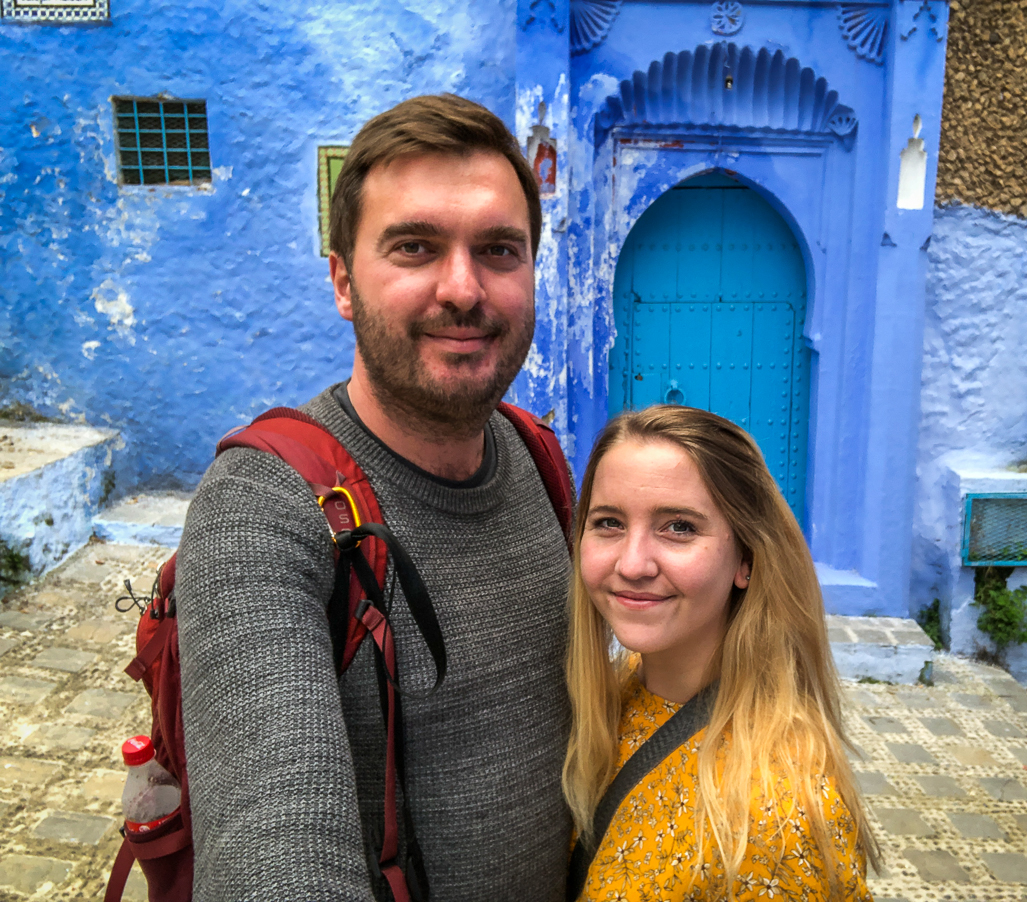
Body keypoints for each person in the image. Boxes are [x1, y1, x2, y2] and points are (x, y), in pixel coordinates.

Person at [175, 94, 572, 901]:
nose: (464, 290)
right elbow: (274, 855)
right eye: (416, 247)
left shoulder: (539, 459)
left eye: (499, 250)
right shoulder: (263, 507)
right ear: (343, 283)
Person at [562, 405, 877, 901]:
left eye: (679, 527)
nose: (633, 562)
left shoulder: (776, 812)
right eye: (608, 523)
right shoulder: (615, 696)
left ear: (746, 560)